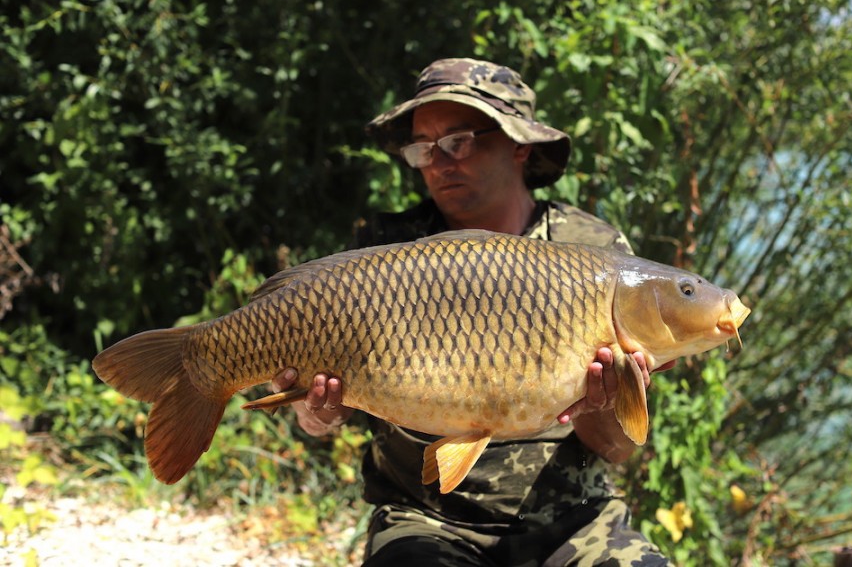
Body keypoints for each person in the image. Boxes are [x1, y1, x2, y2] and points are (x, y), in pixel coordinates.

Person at [272, 58, 670, 565]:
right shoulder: (382, 252)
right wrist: (315, 413)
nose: (438, 162)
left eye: (458, 141)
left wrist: (604, 404)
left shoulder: (594, 251)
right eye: (422, 147)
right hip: (424, 518)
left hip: (573, 521)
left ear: (519, 143)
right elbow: (319, 418)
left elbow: (617, 449)